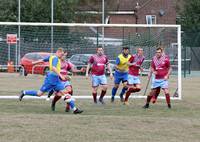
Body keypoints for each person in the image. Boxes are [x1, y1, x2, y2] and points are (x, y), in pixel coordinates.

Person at [19, 48, 83, 114]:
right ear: (58, 52)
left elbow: (43, 60)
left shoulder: (51, 57)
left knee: (66, 93)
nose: (62, 56)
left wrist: (33, 62)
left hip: (56, 80)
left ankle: (75, 109)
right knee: (39, 94)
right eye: (62, 54)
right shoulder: (55, 58)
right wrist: (61, 76)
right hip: (50, 80)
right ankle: (24, 92)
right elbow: (53, 68)